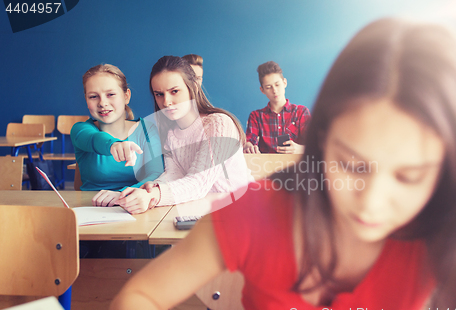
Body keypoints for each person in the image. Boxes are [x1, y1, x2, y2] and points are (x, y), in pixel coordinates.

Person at [109, 18, 456, 310]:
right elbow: (137, 297)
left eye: (410, 177)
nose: (372, 204)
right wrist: (147, 189)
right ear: (322, 140)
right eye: (352, 165)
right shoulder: (255, 215)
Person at [117, 56, 251, 214]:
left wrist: (155, 195)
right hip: (202, 211)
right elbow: (174, 174)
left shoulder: (219, 124)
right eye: (159, 94)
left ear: (192, 86)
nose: (166, 102)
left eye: (174, 91)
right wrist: (152, 189)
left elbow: (198, 183)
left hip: (242, 211)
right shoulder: (170, 132)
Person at [71, 64, 164, 207]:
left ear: (126, 96)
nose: (102, 103)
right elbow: (94, 139)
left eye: (110, 94)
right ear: (86, 99)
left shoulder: (147, 129)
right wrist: (114, 145)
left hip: (134, 208)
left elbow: (155, 174)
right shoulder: (80, 129)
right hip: (90, 209)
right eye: (93, 96)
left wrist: (120, 195)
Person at [244, 61, 311, 154]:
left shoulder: (301, 112)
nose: (274, 90)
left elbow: (314, 143)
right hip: (266, 166)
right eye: (268, 87)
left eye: (277, 84)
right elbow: (249, 141)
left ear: (284, 83)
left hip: (296, 166)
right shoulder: (256, 116)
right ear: (262, 90)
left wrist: (300, 149)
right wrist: (248, 147)